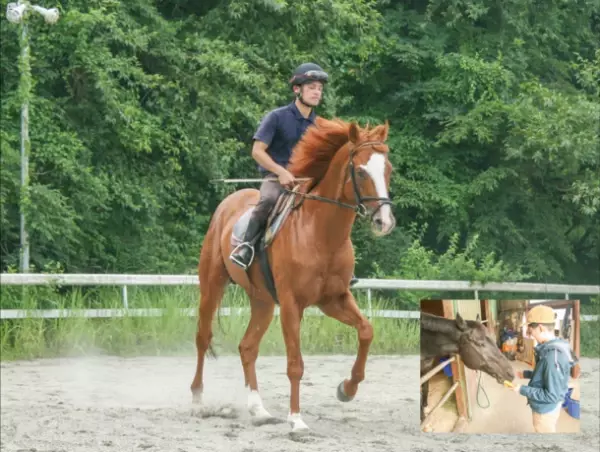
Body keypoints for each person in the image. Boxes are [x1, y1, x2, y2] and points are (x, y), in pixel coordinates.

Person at [229, 62, 358, 286]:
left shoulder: (320, 125)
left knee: (335, 209)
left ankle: (341, 265)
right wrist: (280, 172)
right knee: (267, 199)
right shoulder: (276, 117)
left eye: (319, 88)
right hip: (277, 179)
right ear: (297, 90)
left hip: (307, 184)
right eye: (311, 87)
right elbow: (257, 151)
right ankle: (246, 246)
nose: (317, 91)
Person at [510, 304, 576, 433]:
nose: (531, 335)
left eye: (531, 331)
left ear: (540, 328)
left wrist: (521, 389)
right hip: (552, 406)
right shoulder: (555, 346)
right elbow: (545, 374)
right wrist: (526, 374)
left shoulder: (552, 357)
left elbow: (551, 396)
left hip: (545, 411)